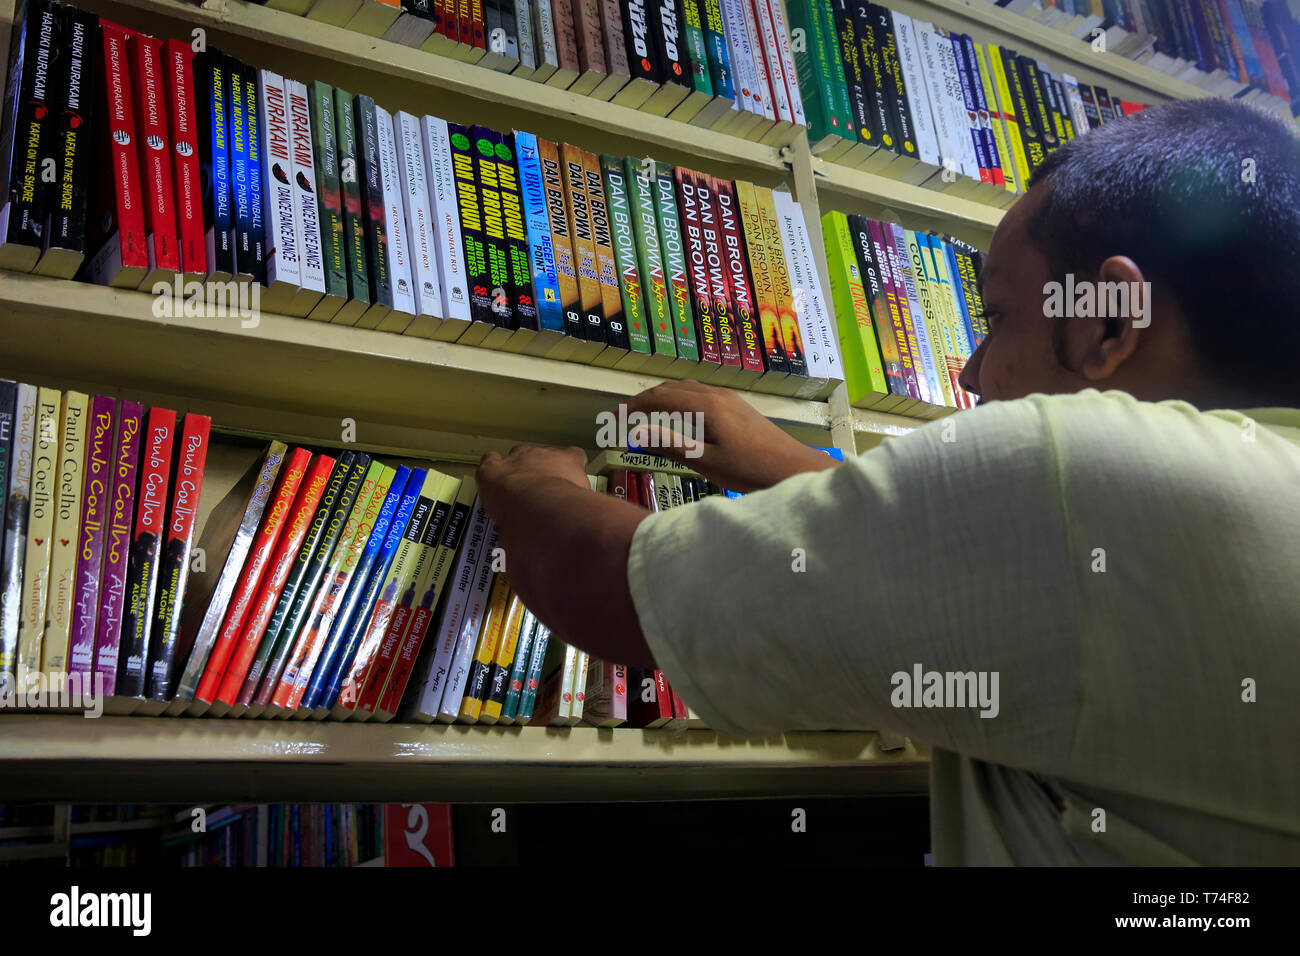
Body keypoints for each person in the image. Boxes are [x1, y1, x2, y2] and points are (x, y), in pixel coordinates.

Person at [474, 98, 1300, 865]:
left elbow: (602, 584)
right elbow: (1014, 593)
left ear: (1109, 319)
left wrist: (531, 479)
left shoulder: (1077, 474)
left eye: (998, 316)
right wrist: (787, 468)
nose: (970, 372)